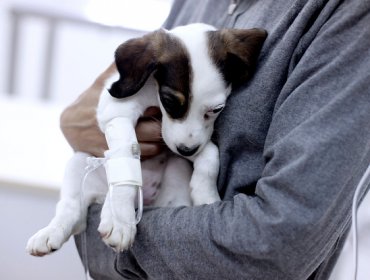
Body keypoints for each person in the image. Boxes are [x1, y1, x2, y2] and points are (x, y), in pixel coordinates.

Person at [60, 0, 370, 279]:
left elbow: (274, 247)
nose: (189, 138)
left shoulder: (346, 15)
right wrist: (86, 129)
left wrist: (100, 231)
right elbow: (114, 110)